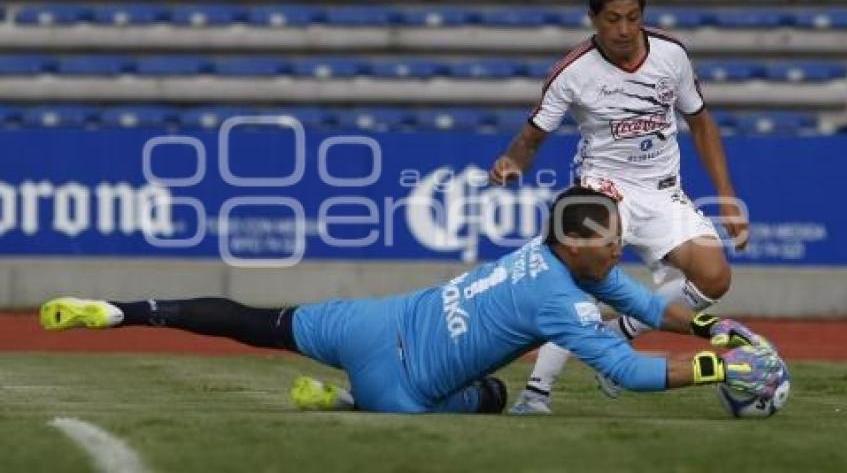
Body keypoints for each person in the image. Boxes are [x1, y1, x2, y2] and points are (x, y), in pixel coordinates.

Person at [40, 187, 781, 415]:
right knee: (491, 397)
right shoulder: (563, 301)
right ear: (578, 245)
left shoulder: (553, 257)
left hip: (371, 321)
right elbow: (640, 371)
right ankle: (348, 405)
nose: (622, 247)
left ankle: (121, 311)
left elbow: (655, 312)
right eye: (612, 239)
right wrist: (729, 371)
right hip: (402, 388)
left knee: (252, 323)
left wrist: (720, 329)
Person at [489, 0, 749, 414]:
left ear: (643, 14)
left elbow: (701, 122)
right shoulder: (572, 73)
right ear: (593, 19)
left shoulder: (672, 55)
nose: (625, 29)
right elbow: (532, 136)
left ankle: (618, 335)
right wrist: (514, 162)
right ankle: (535, 395)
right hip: (601, 189)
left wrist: (726, 195)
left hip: (661, 189)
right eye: (613, 19)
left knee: (714, 277)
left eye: (633, 17)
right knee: (579, 284)